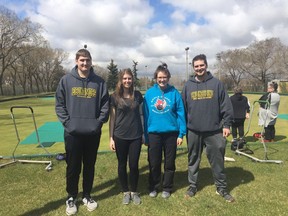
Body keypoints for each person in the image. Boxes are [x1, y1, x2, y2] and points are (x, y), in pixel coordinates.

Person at [55, 49, 109, 215]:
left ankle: (87, 195)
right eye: (82, 60)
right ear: (76, 61)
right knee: (73, 167)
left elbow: (105, 106)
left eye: (87, 60)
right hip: (73, 134)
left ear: (91, 61)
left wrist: (97, 124)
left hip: (92, 134)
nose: (85, 63)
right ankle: (71, 197)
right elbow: (59, 104)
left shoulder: (99, 83)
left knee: (89, 166)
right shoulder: (66, 80)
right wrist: (68, 124)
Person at [182, 54, 235, 202]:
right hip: (193, 131)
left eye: (201, 65)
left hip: (214, 131)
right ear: (193, 68)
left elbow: (226, 106)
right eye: (196, 66)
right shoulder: (188, 86)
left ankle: (222, 188)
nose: (199, 68)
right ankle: (192, 186)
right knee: (193, 159)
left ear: (206, 65)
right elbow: (183, 109)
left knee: (217, 160)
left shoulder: (217, 84)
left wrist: (226, 125)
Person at [143, 62, 186, 199]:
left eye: (165, 77)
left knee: (169, 163)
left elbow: (181, 114)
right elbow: (145, 115)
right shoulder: (149, 93)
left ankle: (167, 187)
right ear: (156, 78)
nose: (162, 80)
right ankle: (154, 186)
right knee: (154, 163)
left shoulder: (174, 93)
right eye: (160, 77)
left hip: (171, 134)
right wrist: (145, 135)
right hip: (154, 134)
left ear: (168, 78)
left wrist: (181, 133)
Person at [109, 68, 143, 205]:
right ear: (121, 80)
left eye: (129, 78)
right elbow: (112, 118)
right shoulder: (114, 97)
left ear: (132, 80)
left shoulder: (138, 95)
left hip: (136, 136)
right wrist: (111, 138)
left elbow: (142, 115)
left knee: (134, 165)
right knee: (122, 164)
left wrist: (144, 134)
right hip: (120, 136)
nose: (127, 81)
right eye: (124, 78)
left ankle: (134, 191)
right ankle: (125, 192)